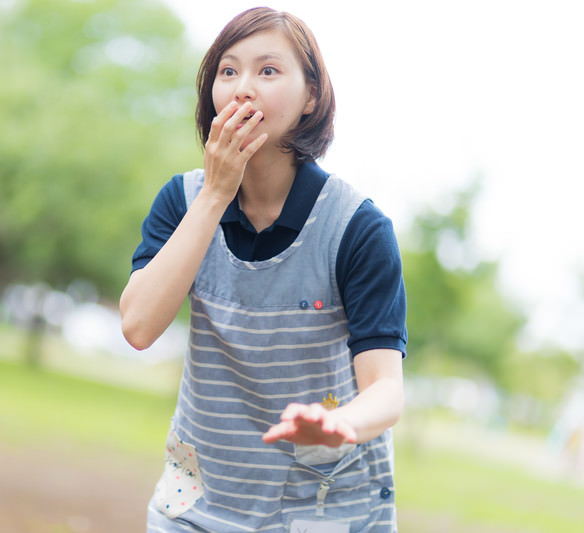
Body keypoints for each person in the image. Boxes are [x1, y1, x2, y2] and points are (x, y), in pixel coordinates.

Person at [120, 7, 407, 533]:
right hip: (196, 506)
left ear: (312, 96)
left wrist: (339, 424)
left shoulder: (358, 228)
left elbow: (386, 390)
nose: (242, 88)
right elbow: (138, 327)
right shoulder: (183, 201)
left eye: (268, 71)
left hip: (322, 509)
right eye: (228, 71)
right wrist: (214, 195)